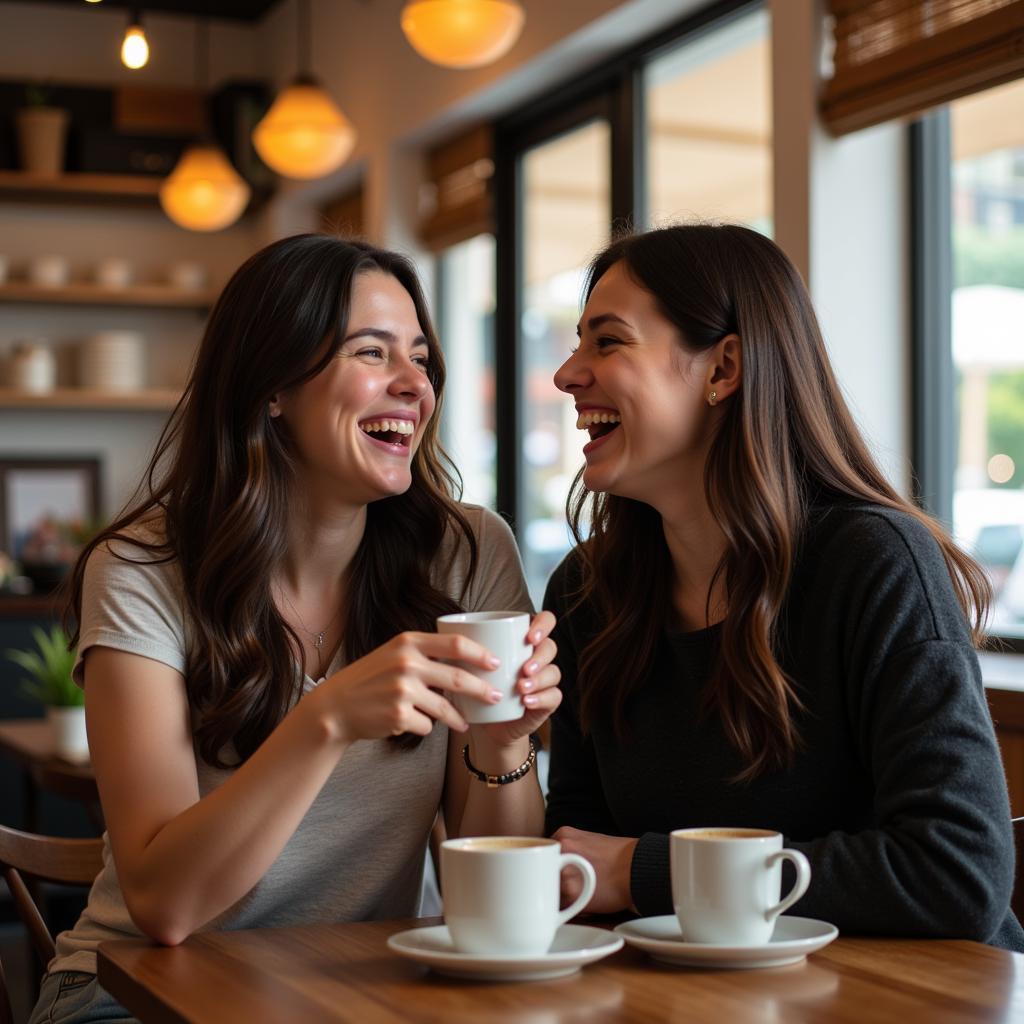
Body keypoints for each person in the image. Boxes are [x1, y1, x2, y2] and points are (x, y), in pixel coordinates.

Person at [30, 234, 561, 1024]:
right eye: (372, 352)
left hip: (365, 991)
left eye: (420, 357)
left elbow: (486, 901)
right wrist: (328, 719)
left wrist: (504, 742)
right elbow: (166, 906)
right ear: (273, 385)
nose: (415, 383)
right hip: (135, 996)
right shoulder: (142, 568)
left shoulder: (468, 551)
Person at [543, 223, 1024, 950]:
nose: (567, 374)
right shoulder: (588, 592)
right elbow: (578, 854)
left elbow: (956, 872)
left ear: (724, 367)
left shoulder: (875, 561)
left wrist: (650, 871)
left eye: (607, 342)